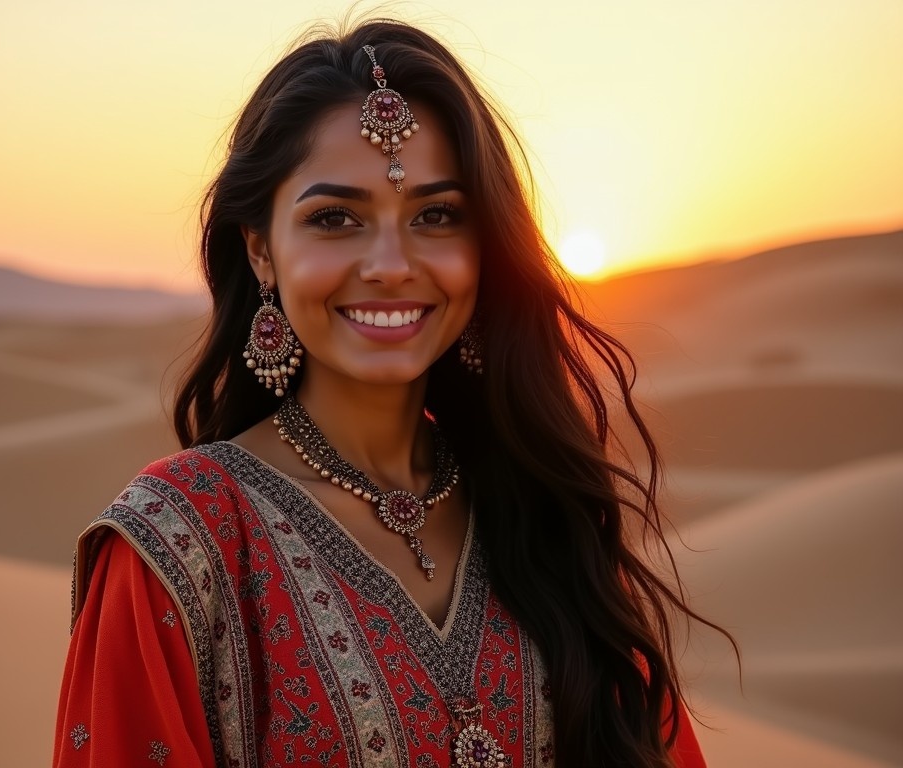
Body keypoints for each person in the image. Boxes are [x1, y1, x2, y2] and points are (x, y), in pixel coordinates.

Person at [54, 18, 728, 767]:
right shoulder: (181, 548)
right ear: (261, 251)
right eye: (335, 219)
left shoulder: (543, 520)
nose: (390, 264)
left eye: (436, 216)